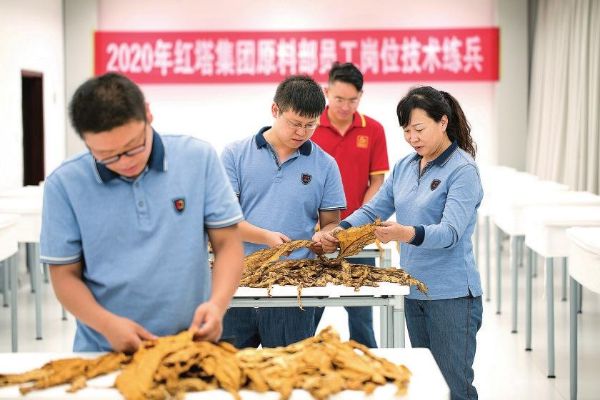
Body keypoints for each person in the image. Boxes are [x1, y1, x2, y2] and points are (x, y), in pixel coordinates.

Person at [40, 73, 244, 352]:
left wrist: (217, 305)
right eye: (106, 155)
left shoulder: (197, 158)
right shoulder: (64, 184)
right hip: (103, 348)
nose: (124, 162)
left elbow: (228, 244)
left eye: (133, 147)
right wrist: (107, 324)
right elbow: (64, 276)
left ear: (148, 114)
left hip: (190, 343)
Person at [317, 86, 483, 400]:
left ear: (443, 122)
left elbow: (450, 233)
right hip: (412, 288)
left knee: (455, 387)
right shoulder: (406, 167)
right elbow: (374, 209)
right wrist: (340, 230)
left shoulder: (462, 170)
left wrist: (405, 233)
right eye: (406, 131)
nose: (412, 137)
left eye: (419, 129)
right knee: (428, 383)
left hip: (452, 296)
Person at [220, 75, 346, 348]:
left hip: (294, 290)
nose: (301, 132)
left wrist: (326, 239)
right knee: (229, 379)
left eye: (310, 125)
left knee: (291, 381)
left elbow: (331, 223)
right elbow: (224, 222)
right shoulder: (234, 155)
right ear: (275, 110)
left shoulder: (325, 165)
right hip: (236, 284)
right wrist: (266, 237)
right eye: (295, 123)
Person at [311, 62, 389, 348]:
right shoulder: (310, 126)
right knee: (307, 306)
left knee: (361, 311)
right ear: (326, 91)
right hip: (315, 236)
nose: (345, 106)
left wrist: (356, 224)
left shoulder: (374, 130)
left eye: (352, 100)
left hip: (356, 237)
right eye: (339, 98)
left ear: (361, 96)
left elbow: (377, 183)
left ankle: (372, 373)